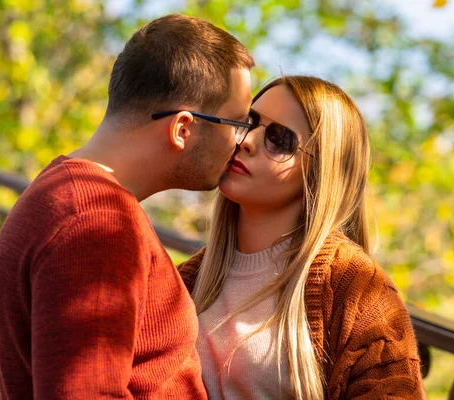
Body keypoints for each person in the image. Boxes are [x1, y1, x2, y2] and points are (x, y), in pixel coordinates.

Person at [0, 14, 254, 399]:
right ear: (183, 129)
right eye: (237, 123)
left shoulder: (67, 196)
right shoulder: (95, 224)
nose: (241, 142)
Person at [178, 75, 425, 400]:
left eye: (279, 139)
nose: (247, 141)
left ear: (321, 169)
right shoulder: (186, 279)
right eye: (248, 122)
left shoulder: (358, 287)